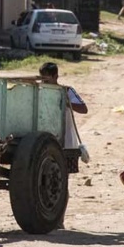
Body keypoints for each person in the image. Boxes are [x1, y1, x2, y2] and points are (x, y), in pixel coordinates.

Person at [39, 61, 89, 229]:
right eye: (42, 79)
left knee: (61, 182)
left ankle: (59, 220)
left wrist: (67, 103)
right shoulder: (39, 92)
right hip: (45, 142)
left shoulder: (67, 91)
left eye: (48, 79)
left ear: (56, 77)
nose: (45, 83)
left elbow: (83, 108)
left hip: (66, 143)